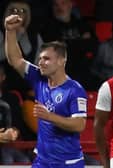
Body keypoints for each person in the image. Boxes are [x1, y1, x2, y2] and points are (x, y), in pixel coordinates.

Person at [4, 14, 87, 167]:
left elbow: (79, 124)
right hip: (42, 161)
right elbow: (15, 60)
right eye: (40, 58)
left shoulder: (74, 90)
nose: (41, 62)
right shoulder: (38, 78)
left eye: (46, 59)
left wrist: (49, 116)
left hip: (67, 162)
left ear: (62, 61)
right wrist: (10, 31)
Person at [0, 0, 43, 97]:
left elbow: (39, 64)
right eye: (14, 10)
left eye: (23, 11)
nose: (18, 14)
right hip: (5, 87)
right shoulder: (1, 33)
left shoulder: (34, 36)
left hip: (28, 88)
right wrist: (15, 35)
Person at [0, 62, 33, 164]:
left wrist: (14, 132)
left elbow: (18, 124)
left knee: (25, 160)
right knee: (7, 159)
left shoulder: (11, 99)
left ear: (2, 77)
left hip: (10, 145)